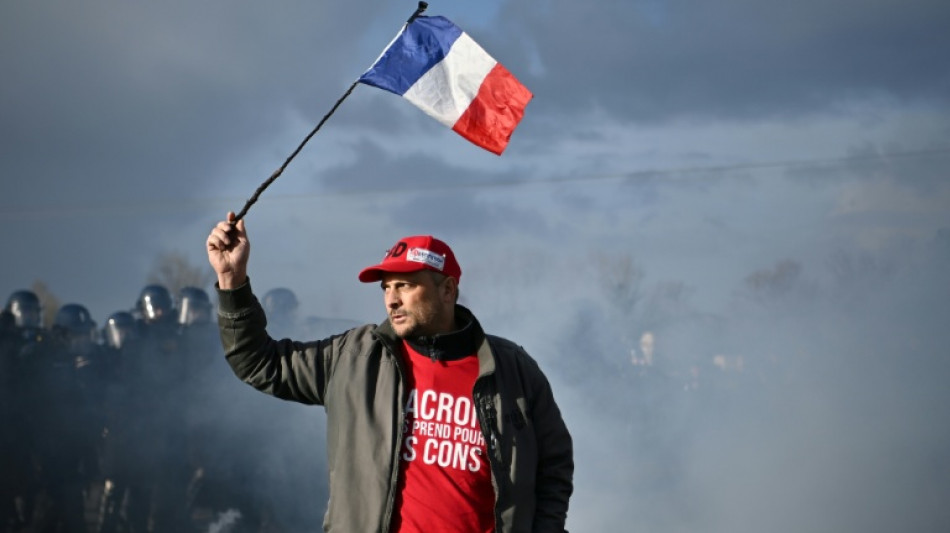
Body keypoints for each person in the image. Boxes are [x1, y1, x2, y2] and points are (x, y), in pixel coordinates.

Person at [206, 212, 574, 533]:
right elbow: (257, 361)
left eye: (405, 285)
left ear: (447, 290)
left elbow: (553, 465)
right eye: (386, 287)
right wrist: (231, 280)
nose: (391, 298)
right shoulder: (354, 357)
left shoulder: (512, 369)